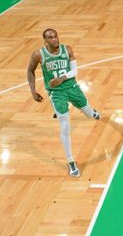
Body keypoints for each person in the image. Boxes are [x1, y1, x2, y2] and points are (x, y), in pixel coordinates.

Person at [27, 28, 101, 177]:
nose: (54, 39)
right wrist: (33, 91)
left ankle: (93, 112)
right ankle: (71, 161)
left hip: (72, 87)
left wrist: (61, 78)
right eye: (50, 38)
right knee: (65, 126)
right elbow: (30, 71)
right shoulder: (38, 54)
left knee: (89, 114)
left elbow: (75, 72)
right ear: (45, 41)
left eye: (55, 36)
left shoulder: (67, 49)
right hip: (56, 93)